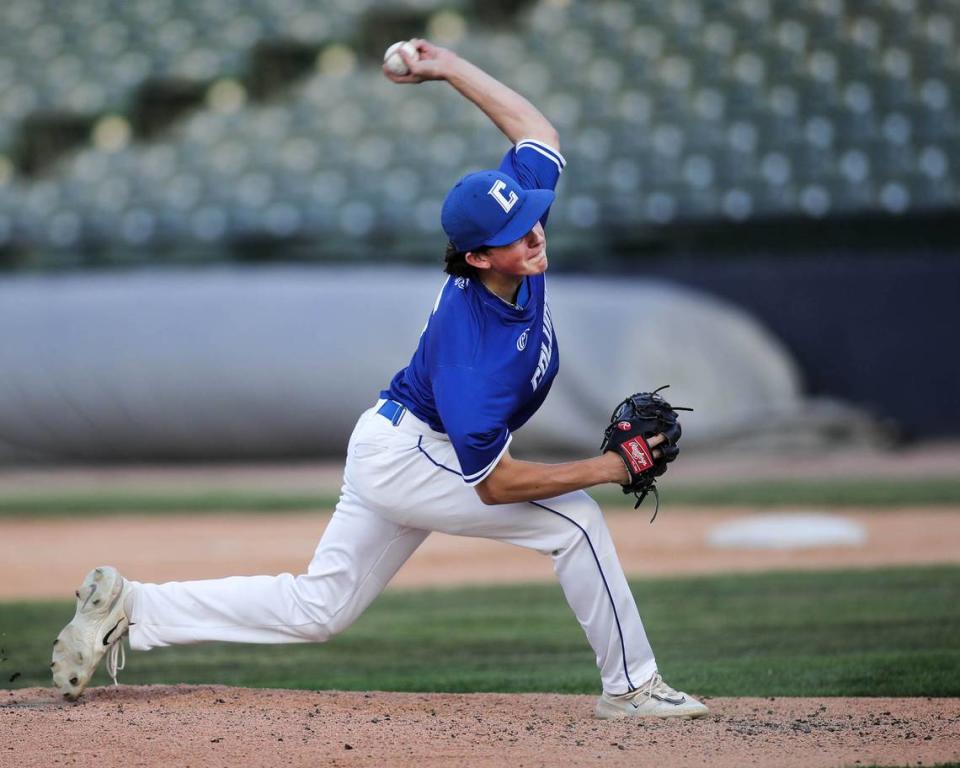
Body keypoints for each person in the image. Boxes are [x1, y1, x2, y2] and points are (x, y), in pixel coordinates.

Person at [51, 40, 708, 720]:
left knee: (321, 608)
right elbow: (495, 485)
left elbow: (537, 132)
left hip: (396, 440)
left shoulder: (514, 244)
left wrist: (449, 67)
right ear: (479, 256)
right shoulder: (473, 354)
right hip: (415, 454)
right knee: (573, 521)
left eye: (532, 218)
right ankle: (633, 686)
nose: (535, 235)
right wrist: (603, 467)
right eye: (516, 233)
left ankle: (135, 606)